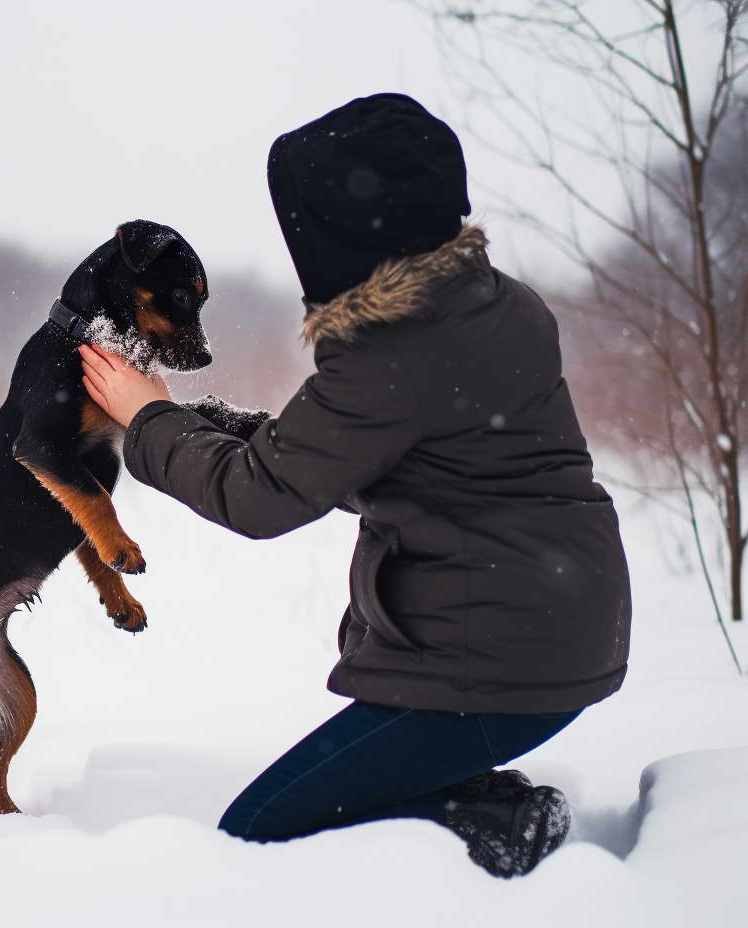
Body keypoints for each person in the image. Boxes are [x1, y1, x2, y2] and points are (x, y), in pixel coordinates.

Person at [79, 93, 632, 878]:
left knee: (262, 831)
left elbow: (261, 497)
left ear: (341, 234)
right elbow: (361, 452)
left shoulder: (393, 353)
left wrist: (148, 419)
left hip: (496, 663)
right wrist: (220, 425)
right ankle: (469, 797)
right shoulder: (492, 306)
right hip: (548, 628)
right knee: (310, 807)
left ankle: (500, 822)